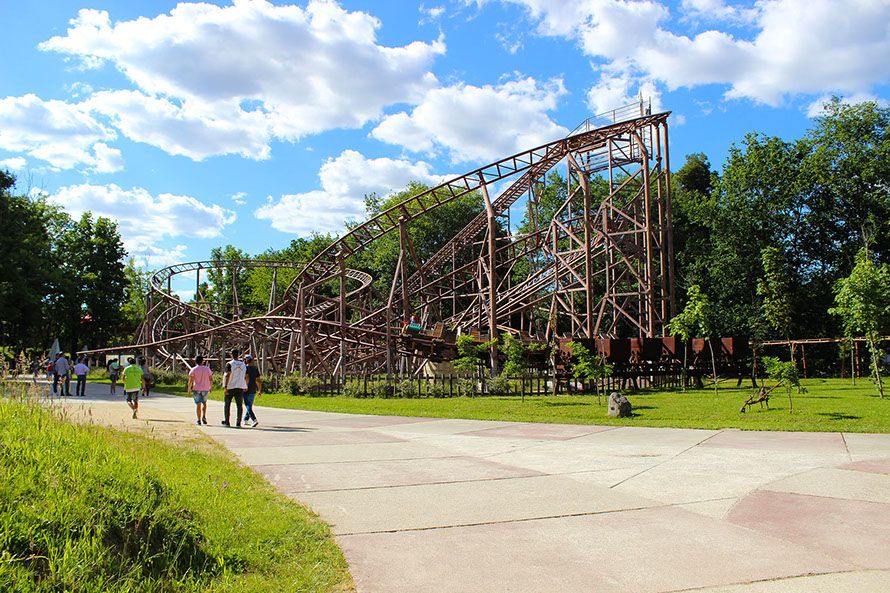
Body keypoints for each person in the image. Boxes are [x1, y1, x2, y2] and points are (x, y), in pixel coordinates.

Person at [222, 348, 247, 428]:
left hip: (230, 386)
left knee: (227, 404)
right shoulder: (243, 364)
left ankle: (227, 421)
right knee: (239, 405)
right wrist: (245, 385)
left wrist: (225, 386)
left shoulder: (229, 364)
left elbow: (227, 375)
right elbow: (246, 376)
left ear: (231, 355)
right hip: (240, 386)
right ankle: (238, 422)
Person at [187, 354, 213, 426]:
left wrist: (189, 388)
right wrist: (211, 387)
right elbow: (211, 378)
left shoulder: (193, 369)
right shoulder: (207, 369)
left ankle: (198, 419)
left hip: (196, 388)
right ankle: (204, 416)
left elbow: (191, 380)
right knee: (204, 403)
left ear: (195, 361)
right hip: (205, 388)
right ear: (202, 361)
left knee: (198, 404)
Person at [242, 355, 262, 428]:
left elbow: (246, 378)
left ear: (246, 361)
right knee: (249, 405)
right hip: (253, 389)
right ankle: (245, 419)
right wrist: (259, 390)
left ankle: (254, 420)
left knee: (247, 405)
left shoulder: (245, 368)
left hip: (247, 389)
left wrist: (245, 386)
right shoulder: (255, 368)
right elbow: (258, 380)